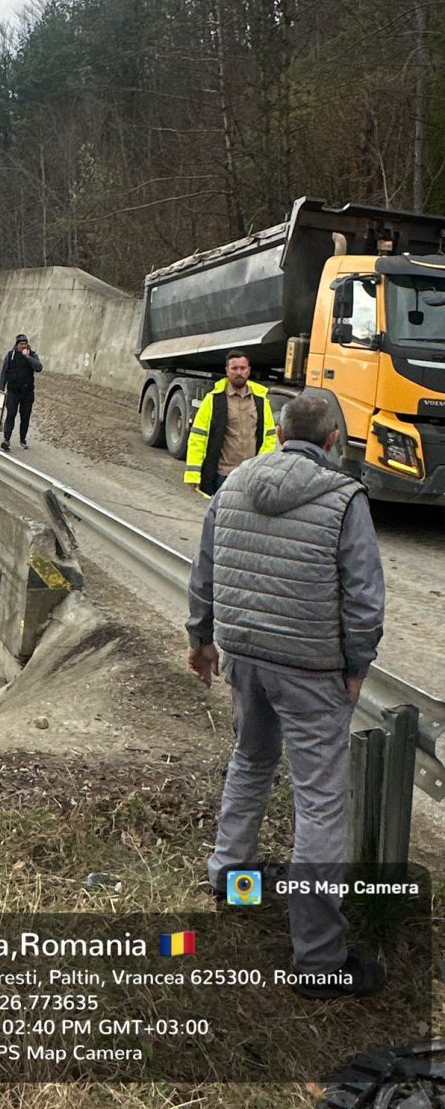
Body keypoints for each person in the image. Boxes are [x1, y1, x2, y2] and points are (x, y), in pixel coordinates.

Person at [186, 393, 386, 998]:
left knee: (249, 762)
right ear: (332, 441)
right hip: (310, 667)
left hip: (244, 656)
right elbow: (365, 599)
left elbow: (205, 569)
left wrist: (201, 638)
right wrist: (357, 666)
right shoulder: (344, 497)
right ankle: (320, 958)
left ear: (278, 432)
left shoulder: (237, 481)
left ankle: (231, 879)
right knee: (321, 801)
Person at [184, 348, 276, 495]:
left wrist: (260, 467)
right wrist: (193, 473)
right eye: (234, 368)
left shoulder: (261, 401)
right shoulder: (214, 399)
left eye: (242, 368)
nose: (239, 372)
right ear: (227, 371)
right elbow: (198, 437)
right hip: (223, 475)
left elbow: (269, 438)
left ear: (248, 370)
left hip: (250, 476)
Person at [0, 333, 42, 451]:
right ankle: (6, 439)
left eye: (25, 344)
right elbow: (4, 372)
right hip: (13, 391)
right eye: (21, 344)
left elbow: (39, 368)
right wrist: (1, 388)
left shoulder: (32, 355)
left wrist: (28, 357)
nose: (24, 346)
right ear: (17, 345)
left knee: (25, 416)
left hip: (27, 392)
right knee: (11, 414)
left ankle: (23, 440)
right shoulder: (10, 355)